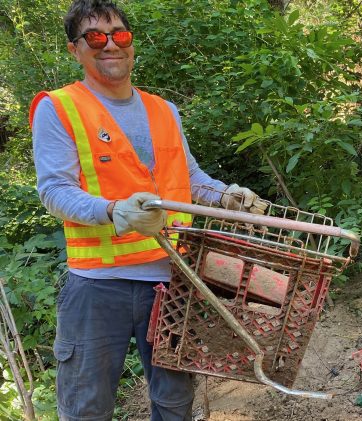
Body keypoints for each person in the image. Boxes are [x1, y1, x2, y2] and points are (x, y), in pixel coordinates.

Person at [29, 1, 267, 420]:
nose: (110, 45)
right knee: (87, 407)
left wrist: (227, 194)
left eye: (119, 34)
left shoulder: (163, 110)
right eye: (95, 37)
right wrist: (115, 211)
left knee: (175, 404)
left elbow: (190, 180)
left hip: (172, 277)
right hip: (98, 286)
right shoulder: (60, 107)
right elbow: (54, 190)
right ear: (75, 50)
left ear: (131, 42)